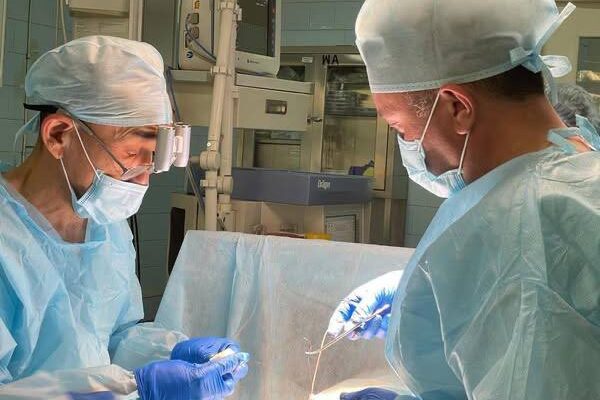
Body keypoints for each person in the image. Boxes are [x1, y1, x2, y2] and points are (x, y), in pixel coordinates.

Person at [327, 0, 600, 399]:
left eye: (400, 127)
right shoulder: (579, 175)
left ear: (457, 107)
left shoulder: (519, 228)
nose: (408, 145)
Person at [0, 36, 248, 399]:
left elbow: (112, 337)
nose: (143, 182)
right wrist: (138, 389)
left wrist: (171, 355)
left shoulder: (105, 226)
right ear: (58, 135)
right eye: (132, 155)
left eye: (153, 160)